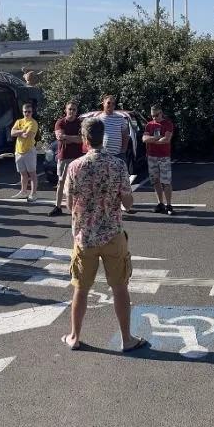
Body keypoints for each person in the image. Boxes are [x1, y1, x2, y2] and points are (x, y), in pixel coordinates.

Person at [60, 117, 147, 353]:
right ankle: (126, 338)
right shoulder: (117, 165)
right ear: (104, 137)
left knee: (81, 288)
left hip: (85, 236)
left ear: (85, 139)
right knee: (120, 287)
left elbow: (69, 204)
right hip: (112, 234)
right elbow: (128, 203)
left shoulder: (75, 166)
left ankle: (75, 336)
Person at [50, 101, 83, 216]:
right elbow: (60, 138)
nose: (72, 111)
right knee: (61, 182)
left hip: (78, 157)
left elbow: (81, 139)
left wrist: (67, 137)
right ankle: (57, 206)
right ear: (65, 110)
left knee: (78, 183)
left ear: (77, 111)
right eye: (70, 109)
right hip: (64, 157)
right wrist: (74, 138)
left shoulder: (80, 123)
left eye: (74, 109)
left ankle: (78, 207)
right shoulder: (60, 123)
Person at [142, 104, 175, 214]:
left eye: (156, 115)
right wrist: (157, 138)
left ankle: (169, 205)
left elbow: (166, 140)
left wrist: (152, 140)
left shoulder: (168, 124)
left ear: (161, 113)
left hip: (164, 157)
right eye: (152, 116)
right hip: (152, 156)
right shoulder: (149, 125)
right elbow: (144, 139)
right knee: (155, 181)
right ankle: (160, 203)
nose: (155, 118)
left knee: (166, 181)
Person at [11, 101, 43, 203]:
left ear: (32, 112)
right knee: (23, 173)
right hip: (18, 150)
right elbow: (12, 133)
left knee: (32, 173)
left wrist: (18, 132)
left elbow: (28, 135)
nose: (27, 113)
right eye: (25, 111)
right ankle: (23, 191)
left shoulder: (33, 123)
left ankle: (33, 193)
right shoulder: (19, 121)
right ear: (22, 112)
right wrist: (21, 131)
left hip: (29, 150)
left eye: (29, 111)